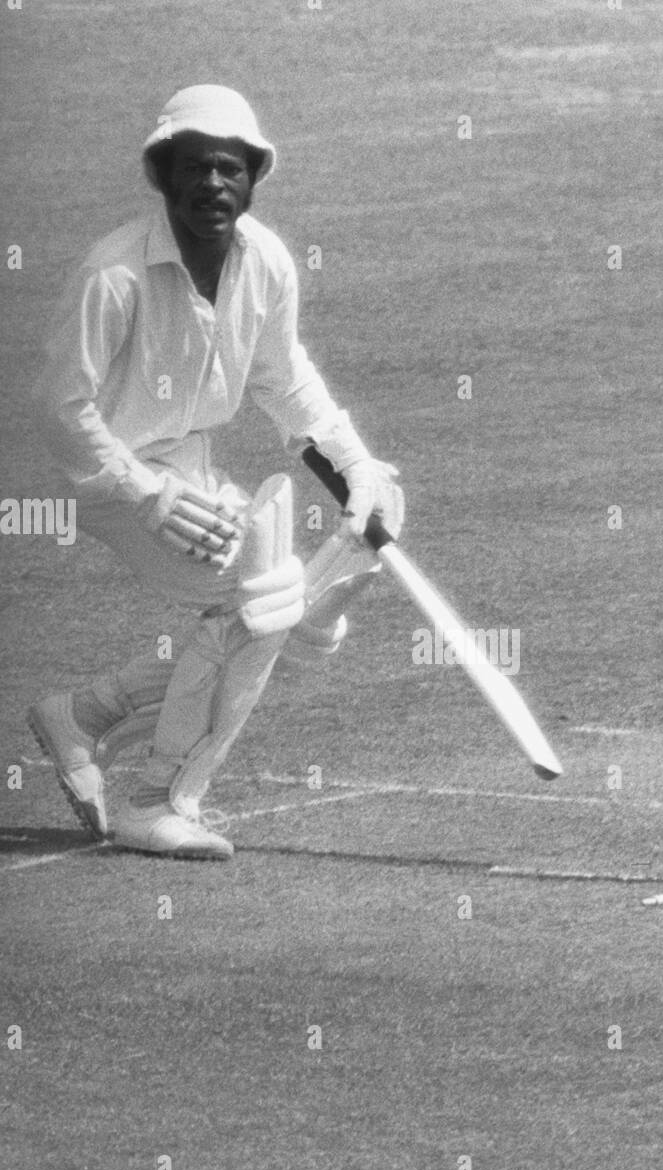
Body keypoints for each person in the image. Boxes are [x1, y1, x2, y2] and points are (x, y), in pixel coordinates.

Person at [29, 84, 403, 860]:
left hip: (184, 468)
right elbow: (60, 407)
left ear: (253, 178)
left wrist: (355, 464)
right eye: (194, 168)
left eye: (229, 170)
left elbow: (283, 378)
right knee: (268, 601)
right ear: (163, 176)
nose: (212, 186)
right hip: (107, 478)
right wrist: (145, 491)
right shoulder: (115, 274)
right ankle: (152, 797)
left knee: (272, 604)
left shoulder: (263, 261)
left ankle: (86, 720)